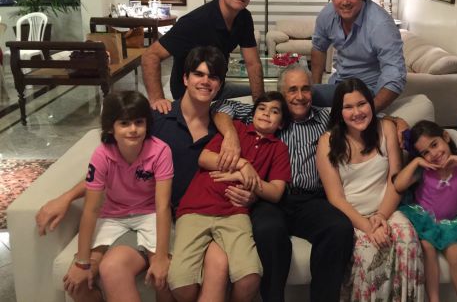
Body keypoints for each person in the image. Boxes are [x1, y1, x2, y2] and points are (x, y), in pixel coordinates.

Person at [37, 46, 246, 302]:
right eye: (198, 74)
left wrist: (231, 135)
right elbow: (116, 168)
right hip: (149, 212)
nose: (205, 81)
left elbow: (262, 115)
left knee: (183, 276)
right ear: (185, 78)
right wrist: (67, 197)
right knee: (103, 270)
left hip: (195, 216)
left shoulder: (224, 130)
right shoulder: (155, 119)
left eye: (213, 77)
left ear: (220, 85)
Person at [213, 63, 355, 302]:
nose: (300, 96)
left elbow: (363, 114)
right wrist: (230, 135)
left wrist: (395, 122)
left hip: (311, 200)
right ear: (281, 93)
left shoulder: (325, 117)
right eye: (292, 90)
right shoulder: (268, 114)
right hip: (268, 199)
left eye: (305, 89)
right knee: (269, 231)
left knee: (339, 228)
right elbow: (220, 106)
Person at [168, 91, 292, 302]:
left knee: (249, 278)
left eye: (274, 111)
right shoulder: (236, 130)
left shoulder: (278, 148)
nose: (266, 113)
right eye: (262, 108)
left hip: (235, 213)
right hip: (196, 208)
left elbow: (276, 192)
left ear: (281, 124)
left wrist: (241, 177)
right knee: (181, 284)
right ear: (253, 114)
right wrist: (243, 165)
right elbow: (204, 158)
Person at [315, 78, 424, 302]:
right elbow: (335, 197)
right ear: (339, 112)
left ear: (371, 105)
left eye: (362, 104)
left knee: (408, 240)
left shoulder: (386, 129)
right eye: (348, 107)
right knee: (369, 252)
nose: (357, 112)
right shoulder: (327, 142)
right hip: (353, 217)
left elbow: (395, 181)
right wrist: (368, 227)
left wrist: (381, 216)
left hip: (387, 210)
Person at [62, 91, 174, 302]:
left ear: (147, 124)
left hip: (149, 213)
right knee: (76, 286)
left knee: (163, 278)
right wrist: (82, 262)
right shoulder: (102, 154)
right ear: (110, 127)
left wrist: (160, 257)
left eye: (139, 122)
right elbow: (91, 209)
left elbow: (162, 206)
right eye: (124, 123)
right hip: (112, 216)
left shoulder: (161, 151)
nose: (133, 129)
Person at [142, 0, 264, 113]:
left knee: (264, 96)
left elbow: (253, 64)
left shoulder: (243, 17)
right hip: (189, 93)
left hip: (217, 87)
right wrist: (157, 99)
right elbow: (150, 56)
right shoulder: (195, 22)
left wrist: (260, 104)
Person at [394, 120, 457, 302]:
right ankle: (434, 299)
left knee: (456, 252)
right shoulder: (424, 169)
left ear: (445, 137)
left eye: (434, 145)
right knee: (427, 246)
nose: (433, 154)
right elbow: (398, 185)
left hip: (453, 222)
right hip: (425, 220)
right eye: (425, 152)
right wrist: (416, 162)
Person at [311, 0, 406, 113]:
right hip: (339, 85)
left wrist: (369, 112)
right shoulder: (327, 15)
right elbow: (319, 48)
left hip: (369, 92)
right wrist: (315, 87)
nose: (345, 2)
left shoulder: (381, 25)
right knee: (299, 98)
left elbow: (395, 76)